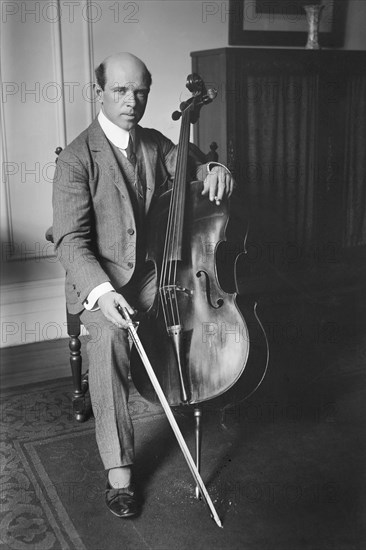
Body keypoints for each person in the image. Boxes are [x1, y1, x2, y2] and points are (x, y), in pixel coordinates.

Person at [52, 52, 235, 518]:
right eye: (120, 90)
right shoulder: (76, 158)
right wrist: (101, 292)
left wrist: (214, 171)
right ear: (100, 93)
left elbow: (191, 162)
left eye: (140, 91)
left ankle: (195, 387)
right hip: (100, 282)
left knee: (190, 305)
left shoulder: (153, 143)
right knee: (110, 338)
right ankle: (119, 473)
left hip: (150, 277)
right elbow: (70, 241)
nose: (131, 101)